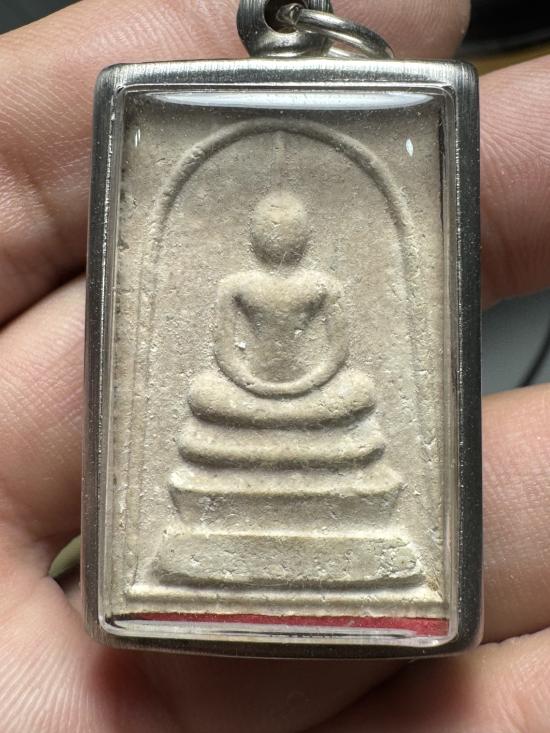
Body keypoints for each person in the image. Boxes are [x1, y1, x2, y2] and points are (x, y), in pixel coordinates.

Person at [0, 0, 549, 730]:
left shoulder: (323, 286)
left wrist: (310, 383)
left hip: (317, 395)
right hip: (245, 393)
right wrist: (252, 382)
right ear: (259, 237)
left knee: (356, 392)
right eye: (270, 231)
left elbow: (340, 350)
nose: (279, 242)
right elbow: (223, 347)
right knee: (205, 393)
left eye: (289, 233)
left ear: (301, 240)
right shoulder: (238, 285)